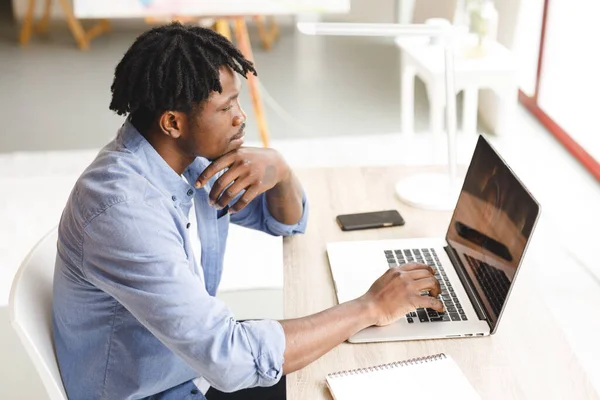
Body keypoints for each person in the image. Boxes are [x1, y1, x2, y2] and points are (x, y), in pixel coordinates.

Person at [52, 22, 444, 400]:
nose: (241, 117)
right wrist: (370, 306)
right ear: (173, 122)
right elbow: (232, 361)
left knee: (354, 363)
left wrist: (282, 169)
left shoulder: (182, 159)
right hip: (160, 390)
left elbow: (285, 221)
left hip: (189, 366)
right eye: (226, 107)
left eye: (238, 100)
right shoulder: (124, 212)